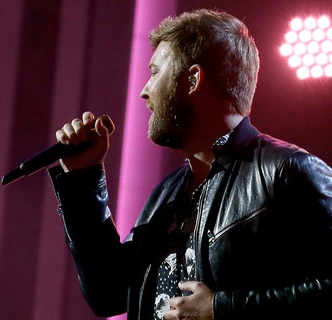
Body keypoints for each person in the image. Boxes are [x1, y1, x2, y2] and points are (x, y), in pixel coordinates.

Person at [49, 8, 332, 320]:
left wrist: (220, 308)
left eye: (155, 72)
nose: (144, 91)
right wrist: (83, 179)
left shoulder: (286, 171)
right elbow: (108, 293)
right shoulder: (167, 195)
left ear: (193, 79)